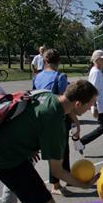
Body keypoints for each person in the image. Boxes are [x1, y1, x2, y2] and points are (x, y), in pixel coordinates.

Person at [33, 49, 79, 195]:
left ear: (45, 61)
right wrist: (76, 121)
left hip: (39, 116)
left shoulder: (37, 77)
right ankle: (56, 184)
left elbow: (33, 96)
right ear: (59, 61)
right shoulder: (60, 77)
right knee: (59, 150)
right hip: (56, 118)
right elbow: (66, 102)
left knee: (54, 150)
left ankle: (62, 178)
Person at [79, 50, 103, 157]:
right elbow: (92, 90)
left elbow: (100, 90)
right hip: (100, 106)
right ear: (97, 60)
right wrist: (94, 106)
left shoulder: (97, 71)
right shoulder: (95, 72)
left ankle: (81, 142)